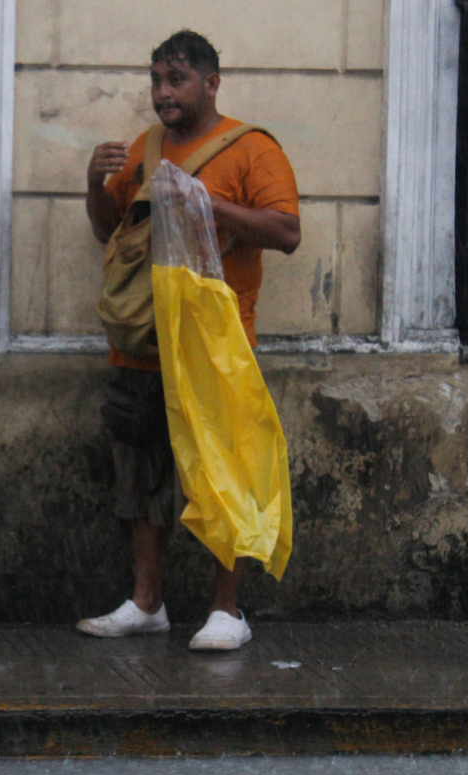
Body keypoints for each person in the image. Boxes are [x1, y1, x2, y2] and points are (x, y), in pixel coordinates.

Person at [78, 30, 301, 651]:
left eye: (175, 80)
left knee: (217, 478)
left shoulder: (251, 148)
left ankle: (227, 611)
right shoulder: (143, 148)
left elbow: (286, 231)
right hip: (141, 343)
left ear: (211, 84)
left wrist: (208, 204)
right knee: (141, 476)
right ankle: (146, 603)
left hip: (215, 349)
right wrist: (96, 184)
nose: (162, 93)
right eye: (155, 80)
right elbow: (107, 232)